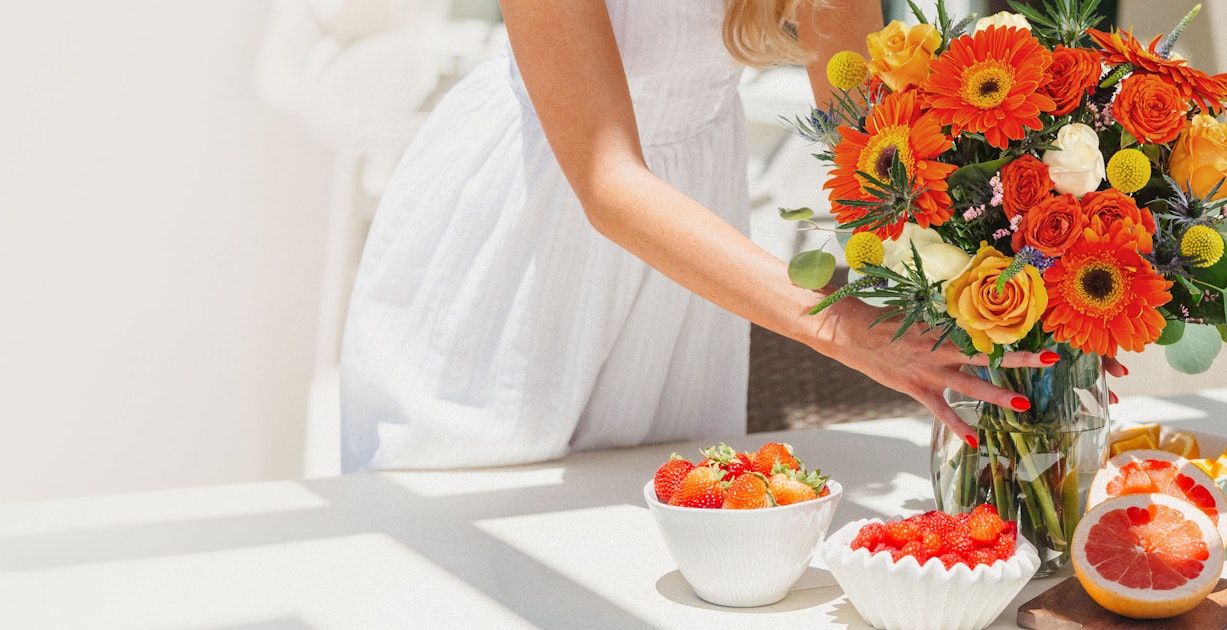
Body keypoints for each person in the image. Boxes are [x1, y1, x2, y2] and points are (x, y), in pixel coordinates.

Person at [340, 0, 1120, 473]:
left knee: (656, 507)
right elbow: (605, 180)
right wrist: (835, 322)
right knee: (467, 491)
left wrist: (1026, 288)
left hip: (683, 218)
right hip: (526, 217)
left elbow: (869, 136)